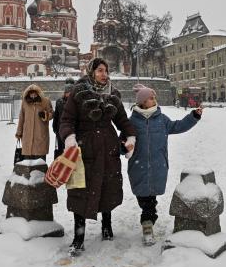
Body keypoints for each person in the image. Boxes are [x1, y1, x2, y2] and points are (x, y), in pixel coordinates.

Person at [59, 58, 136, 256]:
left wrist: (131, 136)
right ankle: (79, 236)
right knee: (80, 191)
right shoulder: (79, 92)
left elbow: (122, 121)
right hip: (85, 149)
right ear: (91, 71)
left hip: (108, 148)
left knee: (107, 187)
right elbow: (67, 119)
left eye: (106, 70)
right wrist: (69, 137)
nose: (104, 74)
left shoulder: (113, 94)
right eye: (100, 70)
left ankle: (107, 226)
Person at [127, 83, 202, 246]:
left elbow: (178, 126)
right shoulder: (132, 121)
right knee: (143, 197)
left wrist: (193, 116)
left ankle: (147, 222)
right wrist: (123, 147)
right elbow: (124, 140)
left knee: (150, 198)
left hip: (157, 165)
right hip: (138, 166)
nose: (154, 100)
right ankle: (148, 217)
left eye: (154, 97)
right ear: (142, 102)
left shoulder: (161, 119)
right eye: (150, 98)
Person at [15, 84, 54, 161]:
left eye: (35, 93)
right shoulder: (25, 103)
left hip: (40, 134)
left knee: (40, 160)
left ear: (38, 93)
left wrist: (45, 115)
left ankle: (41, 172)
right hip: (27, 135)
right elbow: (21, 118)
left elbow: (52, 114)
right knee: (27, 160)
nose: (33, 95)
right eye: (31, 93)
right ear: (28, 93)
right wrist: (19, 132)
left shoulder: (45, 101)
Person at [52, 78, 75, 159]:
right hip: (60, 130)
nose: (69, 94)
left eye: (71, 92)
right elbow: (56, 116)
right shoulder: (59, 102)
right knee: (62, 151)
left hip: (73, 131)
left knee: (72, 153)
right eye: (67, 92)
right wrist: (55, 129)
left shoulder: (77, 102)